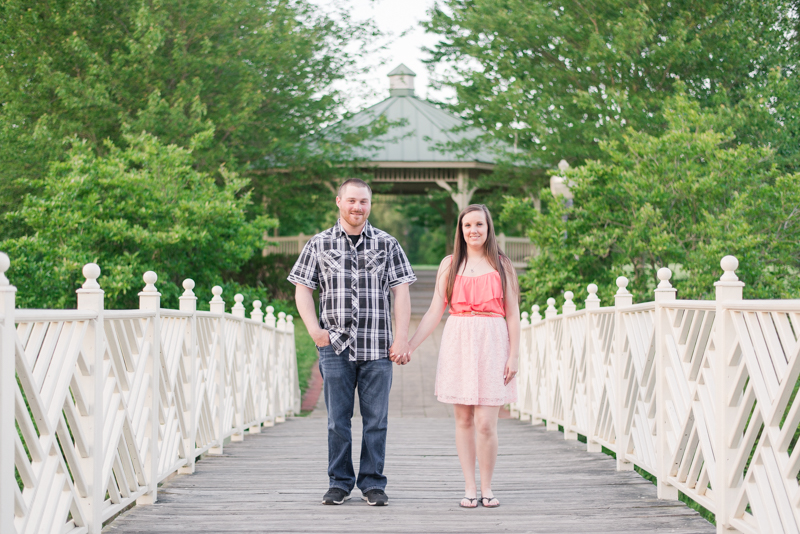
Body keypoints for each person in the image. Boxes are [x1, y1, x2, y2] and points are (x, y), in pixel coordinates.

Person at [288, 178, 416, 507]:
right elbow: (303, 287)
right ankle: (340, 482)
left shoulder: (387, 243)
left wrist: (401, 337)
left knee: (377, 420)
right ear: (339, 201)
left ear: (369, 205)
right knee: (336, 421)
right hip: (335, 347)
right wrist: (315, 331)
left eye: (364, 202)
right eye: (352, 201)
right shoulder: (319, 244)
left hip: (377, 348)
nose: (357, 207)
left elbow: (401, 291)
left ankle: (373, 483)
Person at [408, 204, 519, 509]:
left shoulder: (502, 265)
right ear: (460, 230)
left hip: (493, 341)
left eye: (479, 225)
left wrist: (515, 355)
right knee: (463, 418)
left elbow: (513, 314)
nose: (473, 231)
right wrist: (410, 345)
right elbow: (434, 311)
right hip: (458, 339)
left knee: (485, 422)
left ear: (488, 228)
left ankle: (487, 487)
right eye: (467, 225)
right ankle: (469, 487)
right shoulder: (450, 264)